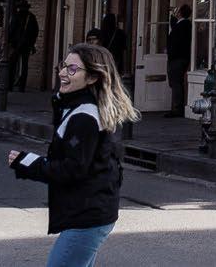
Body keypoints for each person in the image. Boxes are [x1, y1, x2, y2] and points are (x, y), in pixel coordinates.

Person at [8, 43, 139, 266]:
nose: (62, 73)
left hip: (87, 216)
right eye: (63, 66)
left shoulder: (84, 116)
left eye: (72, 69)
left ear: (92, 78)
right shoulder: (79, 108)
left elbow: (72, 169)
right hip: (90, 212)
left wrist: (28, 163)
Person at [165, 4, 192, 118]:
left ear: (180, 13)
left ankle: (177, 109)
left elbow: (175, 39)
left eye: (178, 11)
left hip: (177, 58)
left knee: (176, 83)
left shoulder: (182, 25)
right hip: (181, 57)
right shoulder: (184, 24)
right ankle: (177, 107)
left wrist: (171, 54)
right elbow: (174, 25)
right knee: (176, 82)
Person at [8, 0, 40, 92]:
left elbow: (11, 30)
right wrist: (32, 43)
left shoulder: (16, 16)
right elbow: (35, 32)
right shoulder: (31, 17)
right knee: (24, 66)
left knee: (12, 65)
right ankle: (22, 87)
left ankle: (10, 85)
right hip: (26, 44)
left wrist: (9, 42)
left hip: (16, 44)